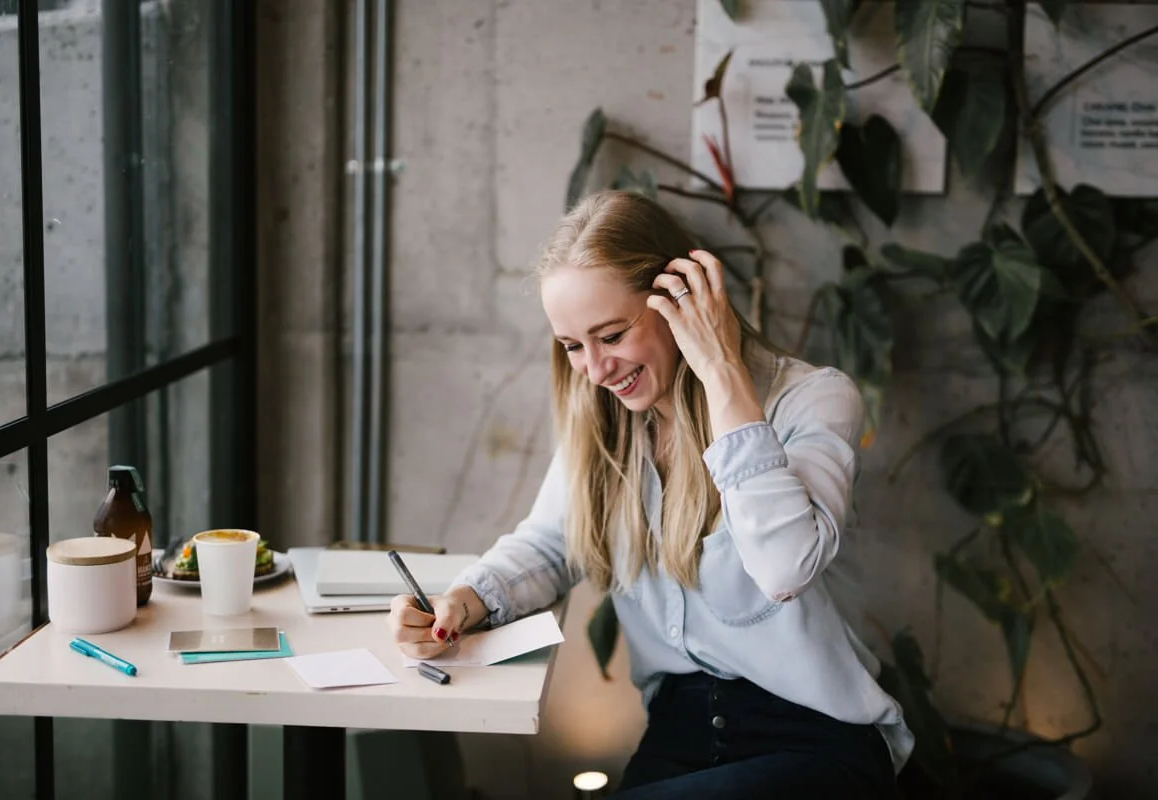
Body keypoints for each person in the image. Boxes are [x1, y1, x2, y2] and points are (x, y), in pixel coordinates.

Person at [388, 190, 913, 798]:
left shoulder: (811, 399)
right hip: (679, 735)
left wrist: (720, 369)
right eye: (572, 346)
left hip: (814, 739)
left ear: (680, 299)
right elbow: (551, 543)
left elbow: (783, 567)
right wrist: (464, 600)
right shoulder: (607, 420)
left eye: (611, 335)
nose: (595, 369)